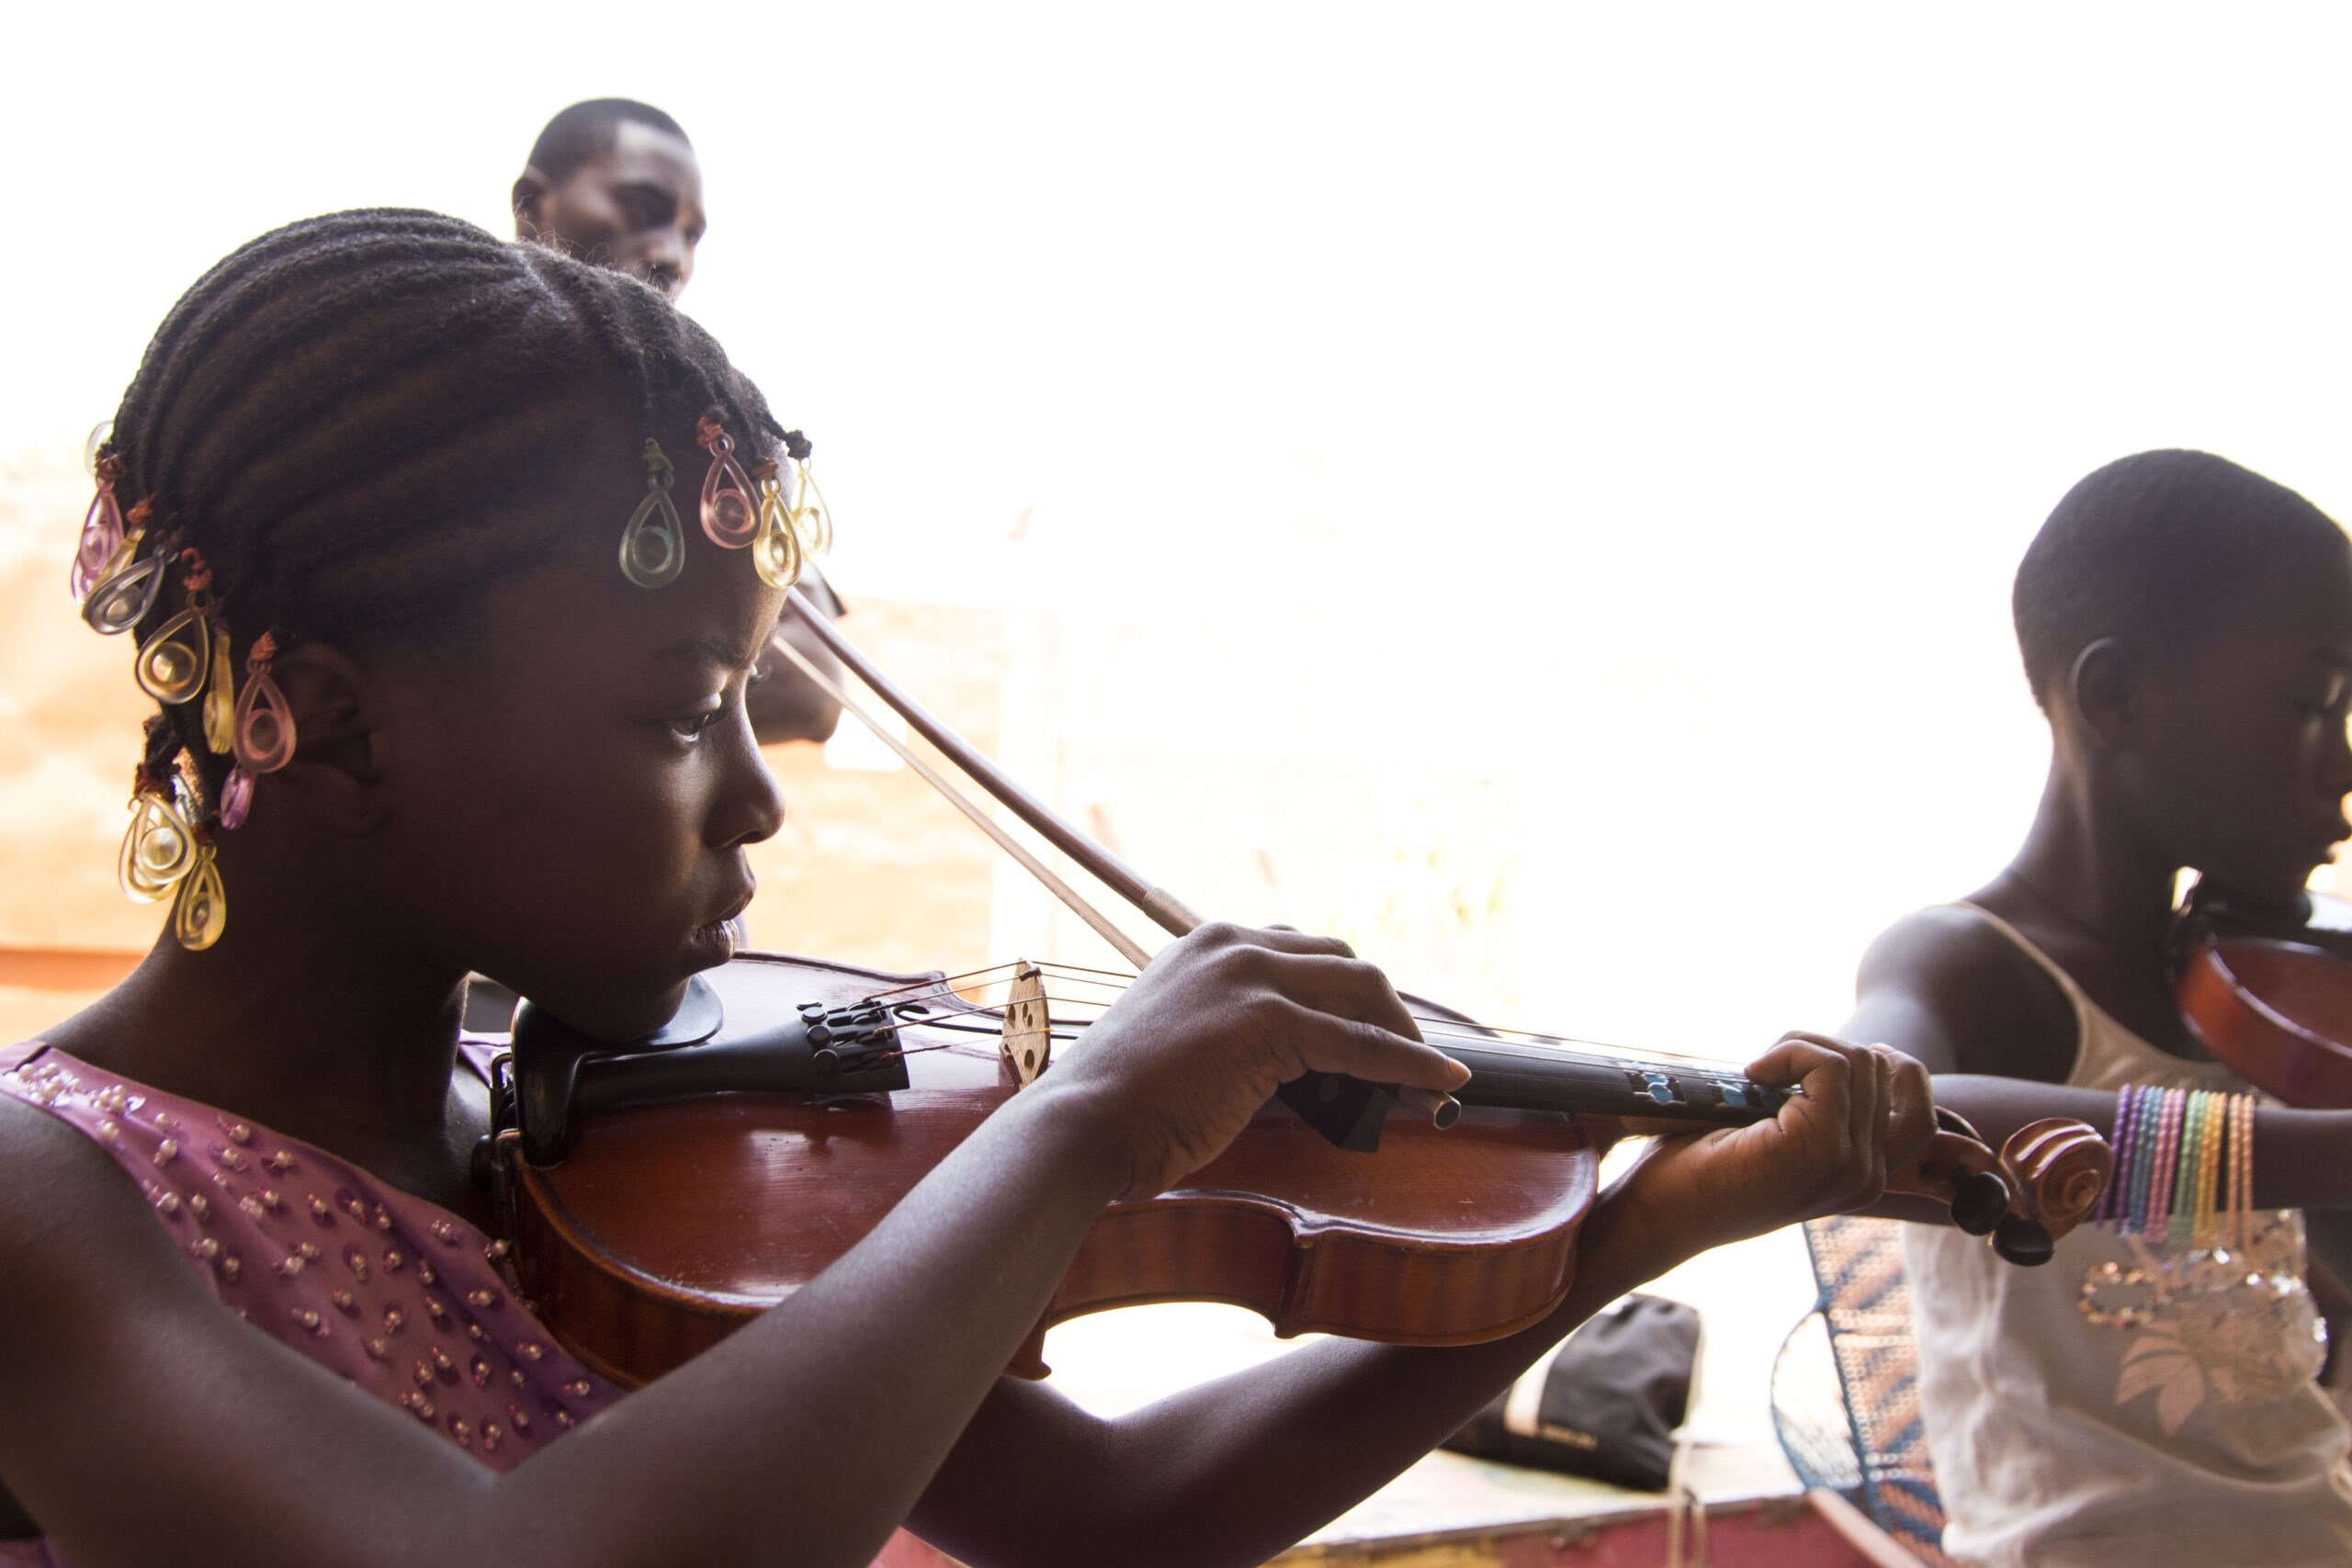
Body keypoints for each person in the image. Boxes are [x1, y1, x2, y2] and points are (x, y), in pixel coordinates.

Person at [0, 209, 1928, 1568]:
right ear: (337, 728)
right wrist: (1077, 1127)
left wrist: (1630, 1228)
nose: (759, 795)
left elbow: (1106, 1513)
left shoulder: (574, 1145)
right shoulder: (51, 1198)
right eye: (682, 714)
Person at [1844, 449, 2352, 1567]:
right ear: (2115, 696)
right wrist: (2327, 1149)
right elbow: (1864, 1123)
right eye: (2312, 705)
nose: (2341, 774)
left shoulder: (2262, 1009)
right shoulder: (1968, 963)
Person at [514, 96, 843, 750]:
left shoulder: (705, 426)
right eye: (641, 208)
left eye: (692, 236)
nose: (674, 257)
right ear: (531, 205)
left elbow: (811, 686)